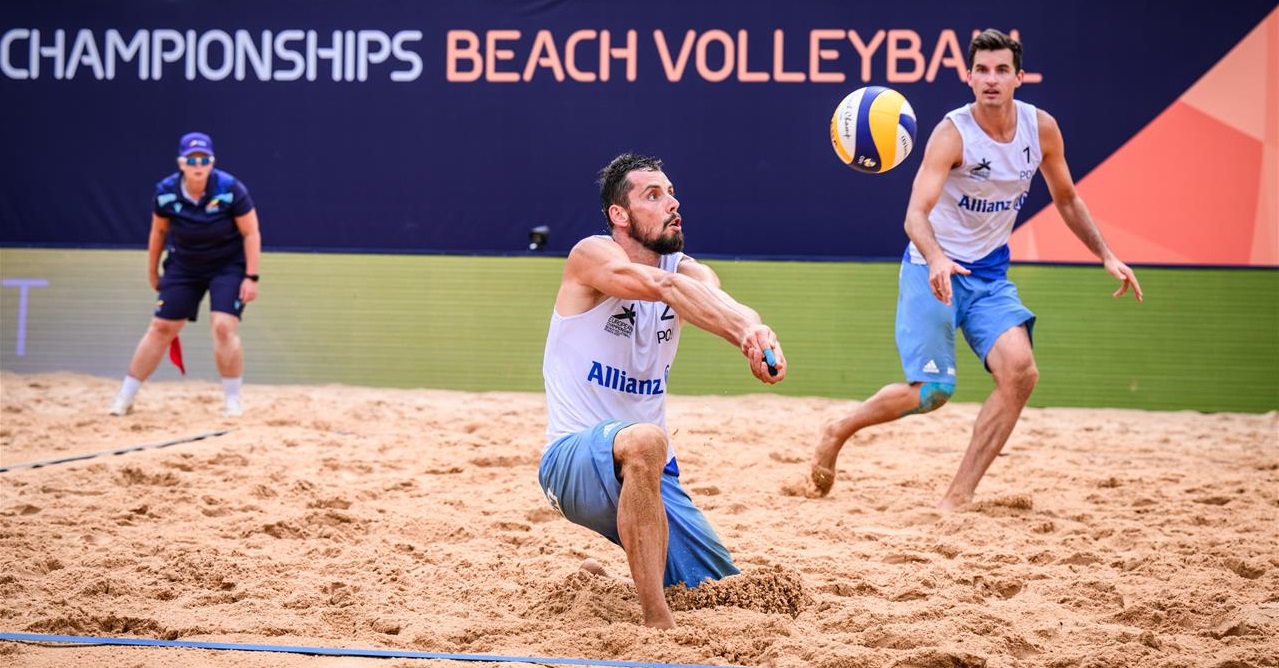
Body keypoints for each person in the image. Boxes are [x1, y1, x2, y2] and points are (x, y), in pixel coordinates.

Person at [811, 29, 1143, 511]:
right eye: (982, 70)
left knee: (1021, 373)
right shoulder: (952, 134)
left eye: (1001, 70)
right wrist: (940, 257)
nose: (991, 79)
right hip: (933, 267)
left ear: (1019, 77)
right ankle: (837, 429)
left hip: (988, 275)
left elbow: (1067, 197)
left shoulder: (1041, 129)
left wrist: (1106, 254)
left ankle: (958, 496)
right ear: (968, 77)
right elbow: (914, 216)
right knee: (932, 392)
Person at [538, 153, 787, 629]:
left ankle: (595, 579)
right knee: (645, 439)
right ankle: (656, 621)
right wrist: (741, 331)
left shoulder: (689, 271)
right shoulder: (590, 256)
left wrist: (757, 332)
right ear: (619, 214)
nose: (672, 203)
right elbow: (659, 284)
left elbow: (721, 300)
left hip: (654, 476)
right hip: (571, 461)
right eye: (653, 195)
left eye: (671, 192)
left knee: (725, 593)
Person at [109, 131, 262, 418]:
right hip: (184, 266)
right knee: (161, 328)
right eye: (192, 159)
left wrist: (251, 277)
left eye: (204, 159)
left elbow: (251, 232)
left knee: (223, 328)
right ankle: (125, 397)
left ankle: (232, 401)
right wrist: (152, 270)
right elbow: (159, 231)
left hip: (227, 266)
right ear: (181, 163)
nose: (198, 164)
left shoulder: (231, 188)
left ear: (211, 162)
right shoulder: (166, 191)